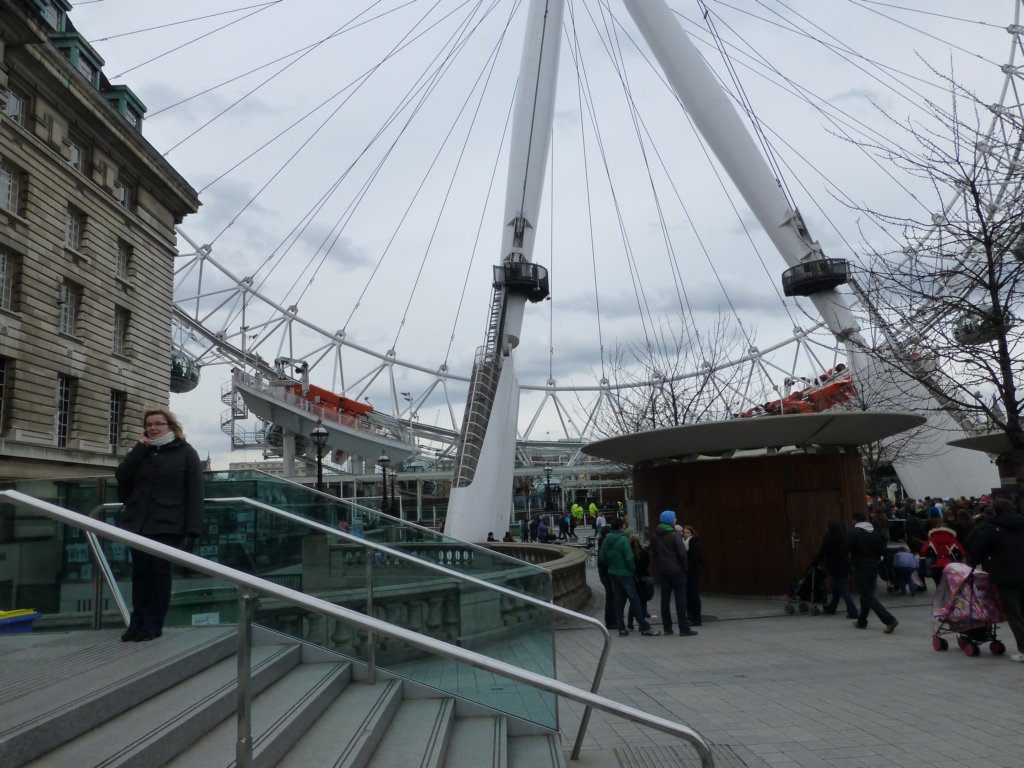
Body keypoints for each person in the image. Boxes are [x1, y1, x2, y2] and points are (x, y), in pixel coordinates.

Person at [115, 406, 204, 642]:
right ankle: (137, 623)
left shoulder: (186, 452)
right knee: (140, 574)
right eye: (150, 424)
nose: (153, 428)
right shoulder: (143, 452)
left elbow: (195, 492)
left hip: (168, 523)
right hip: (139, 523)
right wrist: (139, 449)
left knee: (159, 574)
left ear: (170, 426)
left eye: (158, 424)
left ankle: (153, 624)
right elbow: (122, 476)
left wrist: (192, 529)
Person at [967, 498, 1024, 663]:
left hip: (1006, 575)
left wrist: (973, 563)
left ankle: (1023, 649)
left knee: (1015, 613)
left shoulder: (992, 528)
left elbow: (977, 549)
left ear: (995, 511)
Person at [598, 517, 659, 636]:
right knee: (634, 599)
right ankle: (644, 626)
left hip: (613, 573)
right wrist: (631, 570)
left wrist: (611, 565)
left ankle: (621, 628)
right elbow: (629, 557)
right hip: (625, 573)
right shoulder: (623, 540)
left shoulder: (607, 539)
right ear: (622, 526)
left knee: (618, 601)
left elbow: (602, 557)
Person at [843, 511, 898, 633]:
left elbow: (844, 550)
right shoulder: (875, 533)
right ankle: (862, 621)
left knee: (867, 595)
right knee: (866, 594)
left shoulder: (853, 533)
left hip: (861, 566)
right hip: (875, 566)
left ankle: (889, 620)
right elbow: (883, 551)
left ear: (854, 520)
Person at [649, 510, 697, 637]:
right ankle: (684, 628)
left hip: (663, 571)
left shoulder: (655, 535)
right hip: (677, 571)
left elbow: (653, 553)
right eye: (674, 518)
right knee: (680, 600)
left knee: (664, 600)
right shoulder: (675, 535)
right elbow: (682, 553)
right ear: (670, 520)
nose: (675, 520)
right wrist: (684, 567)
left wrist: (660, 564)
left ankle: (667, 628)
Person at [816, 521, 858, 618]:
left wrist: (817, 559)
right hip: (845, 565)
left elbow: (823, 552)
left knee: (843, 590)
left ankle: (853, 611)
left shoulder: (829, 539)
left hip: (835, 566)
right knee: (837, 589)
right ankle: (832, 607)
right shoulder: (843, 538)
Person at [920, 520, 967, 586]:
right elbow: (962, 552)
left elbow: (923, 551)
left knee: (938, 585)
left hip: (936, 565)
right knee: (950, 586)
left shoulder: (931, 539)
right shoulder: (952, 539)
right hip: (950, 565)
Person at [626, 531, 655, 630]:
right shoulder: (643, 551)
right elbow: (647, 563)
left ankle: (630, 623)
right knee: (642, 601)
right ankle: (642, 622)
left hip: (633, 578)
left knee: (633, 602)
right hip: (643, 577)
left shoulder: (628, 551)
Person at [681, 524, 704, 626]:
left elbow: (694, 559)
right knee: (688, 595)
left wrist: (687, 566)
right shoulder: (683, 542)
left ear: (692, 533)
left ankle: (696, 618)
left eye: (687, 532)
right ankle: (690, 616)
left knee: (693, 595)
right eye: (684, 532)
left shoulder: (694, 542)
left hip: (692, 572)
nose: (685, 534)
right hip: (687, 572)